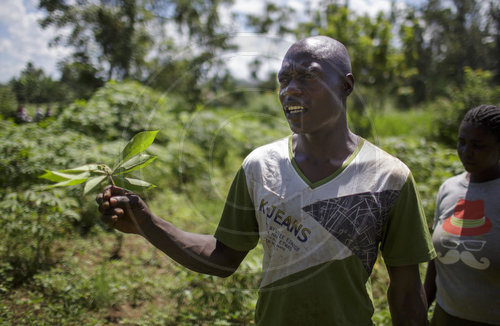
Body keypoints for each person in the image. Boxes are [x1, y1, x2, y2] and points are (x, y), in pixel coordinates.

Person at [97, 36, 436, 325]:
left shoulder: (389, 177)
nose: (290, 90)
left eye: (307, 77)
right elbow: (222, 258)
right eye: (283, 80)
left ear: (345, 85)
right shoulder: (260, 165)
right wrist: (148, 223)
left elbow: (406, 293)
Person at [424, 104, 500, 325]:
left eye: (478, 145)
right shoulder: (449, 189)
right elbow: (434, 265)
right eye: (462, 142)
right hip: (445, 318)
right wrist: (419, 310)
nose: (466, 151)